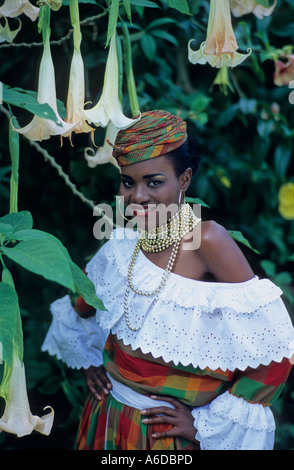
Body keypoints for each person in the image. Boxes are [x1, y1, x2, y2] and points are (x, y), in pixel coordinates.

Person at [42, 110, 294, 451]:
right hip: (107, 419)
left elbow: (275, 351)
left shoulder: (209, 240)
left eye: (154, 182)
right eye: (128, 182)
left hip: (167, 437)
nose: (138, 196)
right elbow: (82, 304)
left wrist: (203, 425)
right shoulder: (123, 243)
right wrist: (90, 364)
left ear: (185, 179)